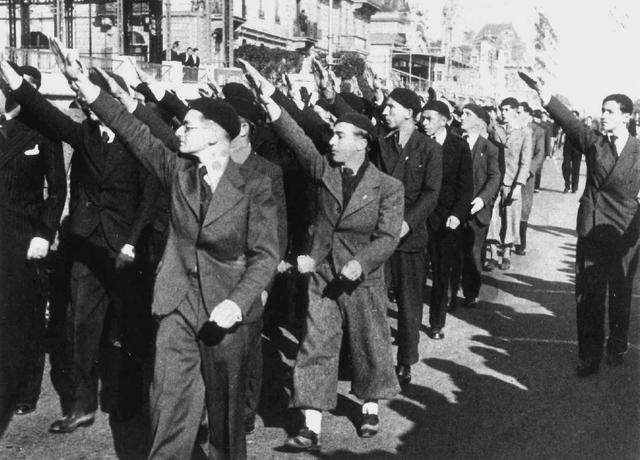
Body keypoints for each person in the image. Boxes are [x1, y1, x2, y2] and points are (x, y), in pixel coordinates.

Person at [241, 60, 403, 450]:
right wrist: (268, 97)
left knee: (369, 341)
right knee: (317, 342)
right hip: (324, 273)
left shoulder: (388, 187)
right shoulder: (324, 169)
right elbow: (296, 136)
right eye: (332, 134)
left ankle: (368, 406)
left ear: (363, 142)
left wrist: (361, 263)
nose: (331, 141)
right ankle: (310, 423)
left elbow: (387, 238)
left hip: (364, 278)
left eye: (341, 135)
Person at [1, 63, 159, 432]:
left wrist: (133, 242)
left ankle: (132, 401)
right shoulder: (85, 134)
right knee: (80, 327)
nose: (84, 106)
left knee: (132, 327)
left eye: (90, 100)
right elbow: (47, 116)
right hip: (87, 245)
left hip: (125, 246)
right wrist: (12, 79)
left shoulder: (137, 135)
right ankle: (81, 405)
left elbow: (149, 196)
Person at [530, 78, 640, 377]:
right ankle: (589, 355)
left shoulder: (639, 150)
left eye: (610, 111)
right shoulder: (594, 141)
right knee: (589, 296)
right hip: (592, 228)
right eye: (602, 110)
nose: (603, 115)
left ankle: (617, 344)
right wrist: (546, 97)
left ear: (627, 117)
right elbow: (569, 121)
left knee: (620, 293)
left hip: (625, 233)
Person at [0, 65, 66, 416]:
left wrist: (44, 233)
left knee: (25, 315)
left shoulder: (43, 133)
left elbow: (57, 190)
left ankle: (26, 389)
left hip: (25, 237)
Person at [373, 87, 442, 385]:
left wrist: (407, 224)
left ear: (409, 113)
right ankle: (376, 360)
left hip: (409, 237)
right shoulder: (380, 145)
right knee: (374, 298)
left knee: (409, 301)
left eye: (391, 108)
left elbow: (431, 194)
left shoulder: (429, 149)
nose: (385, 112)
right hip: (379, 234)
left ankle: (405, 360)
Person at [420, 100, 473, 337]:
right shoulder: (417, 142)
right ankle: (409, 322)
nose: (424, 122)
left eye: (429, 118)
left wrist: (456, 215)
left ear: (444, 120)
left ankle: (436, 322)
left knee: (441, 272)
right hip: (420, 217)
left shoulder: (458, 146)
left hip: (446, 220)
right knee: (416, 271)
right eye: (422, 118)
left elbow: (465, 188)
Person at [450, 104, 500, 308]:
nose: (462, 117)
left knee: (472, 253)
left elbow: (494, 176)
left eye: (467, 114)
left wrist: (482, 199)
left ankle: (471, 292)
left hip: (476, 210)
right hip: (454, 208)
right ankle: (451, 294)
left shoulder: (489, 148)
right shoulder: (454, 142)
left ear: (479, 122)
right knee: (453, 252)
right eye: (462, 113)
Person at [485, 97, 532, 271]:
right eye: (501, 110)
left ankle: (506, 253)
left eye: (506, 110)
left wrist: (519, 185)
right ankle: (492, 254)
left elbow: (525, 161)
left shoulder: (524, 131)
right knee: (492, 216)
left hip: (512, 182)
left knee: (510, 218)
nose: (503, 113)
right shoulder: (494, 129)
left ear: (514, 111)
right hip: (495, 180)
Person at [516, 102, 546, 256]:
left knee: (524, 209)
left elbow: (540, 153)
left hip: (527, 175)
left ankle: (521, 243)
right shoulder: (513, 127)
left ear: (527, 113)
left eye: (519, 111)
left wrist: (529, 171)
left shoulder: (538, 130)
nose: (517, 114)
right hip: (511, 172)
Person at [562, 110, 583, 193]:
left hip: (577, 149)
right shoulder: (567, 124)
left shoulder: (581, 126)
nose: (573, 117)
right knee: (565, 167)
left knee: (576, 169)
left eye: (574, 116)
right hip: (567, 148)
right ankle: (567, 185)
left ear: (578, 117)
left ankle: (574, 187)